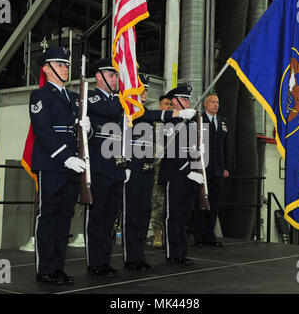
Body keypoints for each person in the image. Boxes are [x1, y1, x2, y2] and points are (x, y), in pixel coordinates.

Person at [30, 46, 91, 285]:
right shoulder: (40, 96)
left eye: (66, 64)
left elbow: (88, 131)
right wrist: (65, 156)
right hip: (53, 162)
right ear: (46, 68)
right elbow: (43, 131)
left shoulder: (76, 97)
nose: (65, 68)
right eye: (60, 64)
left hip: (73, 164)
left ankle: (57, 267)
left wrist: (89, 127)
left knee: (65, 216)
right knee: (48, 215)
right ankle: (44, 268)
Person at [123, 75, 196, 271]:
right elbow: (150, 119)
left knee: (144, 214)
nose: (145, 93)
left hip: (147, 168)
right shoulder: (129, 110)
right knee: (131, 216)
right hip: (132, 168)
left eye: (146, 90)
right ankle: (131, 257)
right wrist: (173, 115)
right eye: (142, 89)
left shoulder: (143, 112)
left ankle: (138, 256)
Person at [84, 57, 126, 277]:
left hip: (117, 166)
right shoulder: (91, 97)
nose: (116, 78)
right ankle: (94, 262)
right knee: (97, 216)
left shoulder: (118, 100)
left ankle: (104, 259)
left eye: (117, 75)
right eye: (112, 75)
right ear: (99, 76)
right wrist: (125, 98)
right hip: (99, 166)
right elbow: (110, 110)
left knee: (110, 218)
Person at [158, 84, 204, 266]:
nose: (188, 101)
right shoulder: (169, 122)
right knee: (173, 215)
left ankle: (181, 252)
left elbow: (195, 149)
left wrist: (199, 170)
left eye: (188, 99)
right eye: (184, 99)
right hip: (175, 175)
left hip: (191, 175)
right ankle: (172, 253)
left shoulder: (192, 123)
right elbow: (172, 151)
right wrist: (188, 171)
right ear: (175, 101)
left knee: (185, 216)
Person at [193, 93, 229, 248]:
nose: (216, 104)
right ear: (206, 105)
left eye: (218, 102)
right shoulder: (200, 120)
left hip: (217, 169)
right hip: (202, 167)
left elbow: (225, 146)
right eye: (213, 102)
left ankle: (209, 235)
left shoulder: (222, 122)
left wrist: (226, 167)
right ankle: (199, 236)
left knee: (214, 203)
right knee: (201, 202)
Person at [151, 95, 173, 248]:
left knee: (169, 202)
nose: (168, 107)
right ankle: (157, 233)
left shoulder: (175, 123)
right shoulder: (153, 123)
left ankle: (168, 232)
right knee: (158, 202)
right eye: (165, 104)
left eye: (171, 104)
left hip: (171, 166)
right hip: (157, 167)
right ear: (160, 106)